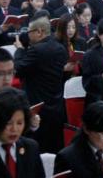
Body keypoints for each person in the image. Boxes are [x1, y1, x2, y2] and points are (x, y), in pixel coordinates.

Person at [13, 17, 69, 153]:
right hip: (56, 104)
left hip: (38, 106)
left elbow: (19, 70)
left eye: (30, 32)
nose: (28, 35)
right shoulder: (60, 47)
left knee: (39, 148)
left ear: (39, 32)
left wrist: (20, 50)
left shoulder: (37, 50)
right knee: (55, 147)